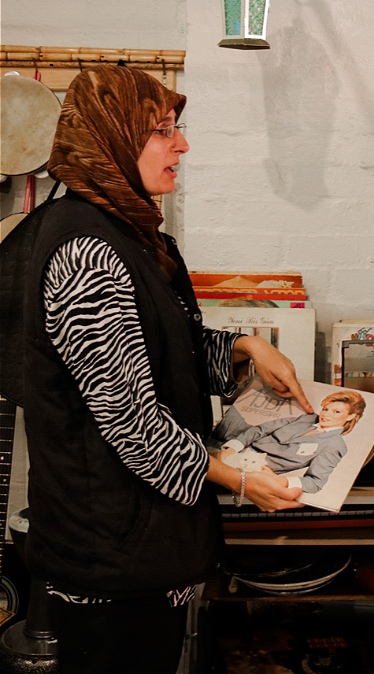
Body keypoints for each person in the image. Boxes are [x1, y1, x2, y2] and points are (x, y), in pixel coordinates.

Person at [21, 65, 314, 674]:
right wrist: (235, 480)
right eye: (161, 131)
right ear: (112, 137)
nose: (182, 145)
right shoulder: (86, 251)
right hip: (111, 556)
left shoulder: (128, 231)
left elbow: (165, 354)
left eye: (178, 128)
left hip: (137, 545)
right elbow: (129, 417)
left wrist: (245, 349)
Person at [214, 389, 366, 493]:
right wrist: (231, 449)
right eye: (325, 409)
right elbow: (260, 430)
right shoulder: (307, 418)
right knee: (229, 414)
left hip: (250, 467)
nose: (326, 414)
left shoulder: (334, 445)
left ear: (351, 416)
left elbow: (315, 483)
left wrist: (280, 480)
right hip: (239, 440)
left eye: (336, 412)